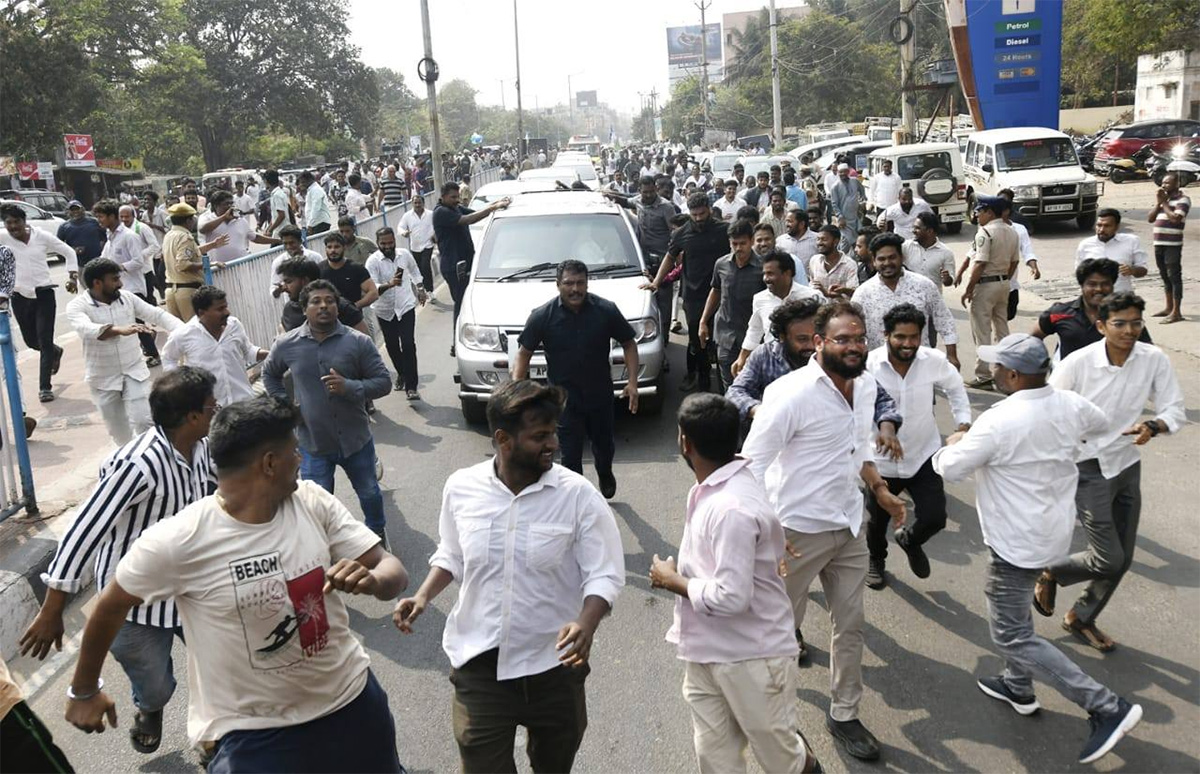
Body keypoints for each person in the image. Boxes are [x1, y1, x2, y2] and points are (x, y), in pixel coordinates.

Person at [63, 395, 409, 773]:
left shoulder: (312, 502)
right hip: (255, 735)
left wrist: (374, 581)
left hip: (353, 704)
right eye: (294, 450)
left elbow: (393, 571)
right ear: (270, 464)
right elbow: (111, 605)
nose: (301, 459)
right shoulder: (180, 539)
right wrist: (83, 689)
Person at [931, 334, 1143, 765]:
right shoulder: (1070, 403)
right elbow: (1102, 425)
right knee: (1016, 615)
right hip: (1051, 532)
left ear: (1012, 375)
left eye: (995, 366)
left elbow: (950, 469)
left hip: (1015, 543)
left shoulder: (999, 419)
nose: (989, 371)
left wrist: (949, 446)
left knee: (1010, 633)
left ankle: (1105, 706)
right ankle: (1018, 686)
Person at [393, 380, 624, 774]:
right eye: (539, 436)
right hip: (480, 666)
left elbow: (604, 573)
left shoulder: (579, 496)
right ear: (503, 439)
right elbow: (452, 553)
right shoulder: (461, 487)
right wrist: (423, 596)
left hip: (554, 668)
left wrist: (586, 624)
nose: (552, 443)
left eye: (553, 432)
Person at [741, 300, 907, 762]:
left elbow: (856, 449)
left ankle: (844, 713)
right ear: (818, 343)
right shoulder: (790, 393)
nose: (854, 347)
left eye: (859, 338)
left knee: (850, 624)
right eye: (843, 339)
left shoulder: (867, 385)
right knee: (779, 633)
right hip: (794, 531)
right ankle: (777, 722)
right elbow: (751, 466)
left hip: (849, 524)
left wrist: (879, 488)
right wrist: (765, 533)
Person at [22, 367, 217, 754]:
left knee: (221, 668)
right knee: (157, 685)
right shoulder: (138, 465)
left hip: (191, 589)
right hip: (133, 602)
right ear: (192, 416)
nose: (218, 411)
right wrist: (52, 607)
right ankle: (150, 707)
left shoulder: (203, 447)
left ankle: (215, 740)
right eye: (212, 407)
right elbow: (85, 529)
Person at [649, 393, 822, 774]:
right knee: (716, 758)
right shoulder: (718, 487)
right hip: (705, 651)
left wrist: (672, 580)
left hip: (752, 658)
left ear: (684, 442)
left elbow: (732, 597)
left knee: (783, 762)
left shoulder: (730, 508)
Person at [1034, 292, 1184, 651]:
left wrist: (1155, 425)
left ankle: (1082, 617)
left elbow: (1173, 407)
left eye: (1136, 322)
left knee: (1124, 557)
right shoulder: (1079, 362)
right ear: (1101, 326)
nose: (1129, 330)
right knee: (1107, 557)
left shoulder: (1152, 359)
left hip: (1127, 463)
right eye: (1120, 323)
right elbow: (1048, 408)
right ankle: (1051, 570)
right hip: (1086, 466)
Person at [262, 281, 392, 541]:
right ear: (305, 308)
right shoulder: (287, 344)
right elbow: (269, 375)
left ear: (338, 306)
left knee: (369, 493)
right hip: (312, 443)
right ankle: (324, 545)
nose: (324, 306)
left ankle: (377, 533)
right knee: (317, 502)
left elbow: (384, 383)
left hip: (356, 440)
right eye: (316, 301)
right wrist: (285, 407)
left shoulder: (359, 342)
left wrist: (350, 387)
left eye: (330, 301)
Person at [864, 303, 970, 590]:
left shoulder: (932, 360)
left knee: (935, 517)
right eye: (900, 337)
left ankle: (910, 540)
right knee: (876, 522)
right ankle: (876, 560)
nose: (908, 344)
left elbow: (956, 387)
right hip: (881, 459)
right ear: (886, 335)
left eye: (914, 337)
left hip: (924, 453)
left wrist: (963, 424)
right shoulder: (868, 365)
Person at [514, 260, 638, 499]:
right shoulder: (542, 316)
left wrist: (632, 383)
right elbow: (524, 353)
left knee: (604, 448)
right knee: (570, 458)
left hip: (600, 396)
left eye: (580, 283)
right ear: (557, 285)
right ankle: (577, 502)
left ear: (587, 283)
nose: (575, 289)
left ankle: (605, 472)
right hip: (564, 402)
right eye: (569, 283)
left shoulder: (606, 310)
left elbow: (629, 343)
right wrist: (518, 394)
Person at [66, 258, 183, 445]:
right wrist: (119, 330)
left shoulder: (126, 298)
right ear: (97, 283)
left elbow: (156, 314)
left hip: (133, 370)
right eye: (114, 279)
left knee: (144, 421)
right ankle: (129, 463)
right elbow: (85, 328)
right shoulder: (77, 306)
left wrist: (182, 330)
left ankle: (151, 461)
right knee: (120, 434)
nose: (120, 284)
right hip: (102, 377)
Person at [646, 192, 731, 393]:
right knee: (696, 339)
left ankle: (726, 382)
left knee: (722, 338)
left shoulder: (725, 230)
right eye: (695, 215)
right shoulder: (680, 233)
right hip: (693, 295)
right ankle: (701, 378)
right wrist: (657, 282)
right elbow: (669, 258)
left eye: (702, 213)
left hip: (722, 292)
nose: (699, 218)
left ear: (709, 209)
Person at [0, 202, 78, 402]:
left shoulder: (41, 236)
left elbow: (68, 251)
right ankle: (56, 351)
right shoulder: (3, 239)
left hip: (44, 294)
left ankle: (45, 387)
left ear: (24, 221)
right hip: (19, 296)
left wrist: (72, 275)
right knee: (31, 341)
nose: (13, 227)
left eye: (16, 222)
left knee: (43, 340)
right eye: (9, 223)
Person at [853, 232, 960, 366]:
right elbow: (854, 332)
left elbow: (944, 320)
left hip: (920, 366)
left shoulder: (924, 285)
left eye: (892, 257)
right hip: (879, 369)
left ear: (902, 258)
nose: (887, 263)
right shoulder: (862, 294)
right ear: (874, 261)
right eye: (881, 259)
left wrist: (952, 356)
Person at [433, 181, 509, 355]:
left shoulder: (454, 208)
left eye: (457, 196)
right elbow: (469, 219)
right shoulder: (442, 212)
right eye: (452, 197)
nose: (456, 200)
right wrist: (493, 208)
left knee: (467, 303)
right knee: (461, 305)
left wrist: (496, 204)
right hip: (454, 266)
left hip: (465, 264)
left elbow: (475, 213)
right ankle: (456, 343)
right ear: (443, 197)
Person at [162, 286, 266, 407]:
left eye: (226, 307)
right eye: (220, 309)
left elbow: (248, 351)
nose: (227, 312)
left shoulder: (234, 325)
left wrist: (272, 353)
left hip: (244, 402)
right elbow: (168, 359)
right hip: (210, 410)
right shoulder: (183, 335)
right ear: (202, 313)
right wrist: (182, 384)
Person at [1032, 258, 1151, 360]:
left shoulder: (1126, 317)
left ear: (1112, 285)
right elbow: (1033, 339)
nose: (1099, 289)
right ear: (1082, 286)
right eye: (1092, 284)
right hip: (1068, 385)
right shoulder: (1059, 313)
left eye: (1105, 284)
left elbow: (1148, 352)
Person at [699, 219, 766, 390]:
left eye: (742, 243)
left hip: (754, 338)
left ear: (751, 241)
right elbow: (715, 291)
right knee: (729, 384)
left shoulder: (764, 267)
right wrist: (703, 321)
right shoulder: (721, 264)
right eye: (734, 243)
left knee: (753, 383)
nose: (738, 248)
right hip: (725, 335)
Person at [961, 196, 1019, 388]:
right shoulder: (1012, 231)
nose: (977, 215)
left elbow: (980, 263)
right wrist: (1004, 279)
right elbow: (1014, 262)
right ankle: (1005, 369)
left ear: (989, 212)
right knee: (1002, 328)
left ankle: (983, 375)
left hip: (985, 285)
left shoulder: (984, 233)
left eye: (980, 211)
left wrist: (969, 289)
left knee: (982, 331)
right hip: (1003, 284)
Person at [366, 228, 426, 400]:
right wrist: (389, 284)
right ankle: (402, 373)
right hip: (384, 311)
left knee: (408, 344)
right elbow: (372, 286)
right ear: (378, 243)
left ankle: (411, 387)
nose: (387, 246)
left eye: (390, 242)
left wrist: (420, 288)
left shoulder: (404, 255)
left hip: (405, 306)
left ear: (394, 241)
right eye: (383, 243)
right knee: (392, 346)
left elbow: (414, 271)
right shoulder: (372, 262)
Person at [162, 203, 229, 322]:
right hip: (187, 291)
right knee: (196, 331)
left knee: (180, 333)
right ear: (188, 220)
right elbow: (183, 264)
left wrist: (212, 245)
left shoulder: (170, 235)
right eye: (192, 218)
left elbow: (192, 252)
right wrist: (209, 264)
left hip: (171, 291)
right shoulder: (185, 237)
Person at [277, 258, 369, 334]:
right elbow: (283, 333)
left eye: (288, 282)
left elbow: (365, 344)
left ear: (305, 281)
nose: (284, 287)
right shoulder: (289, 309)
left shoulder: (342, 307)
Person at [1147, 171, 1189, 323]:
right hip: (1159, 243)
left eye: (1167, 183)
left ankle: (1176, 312)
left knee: (1174, 276)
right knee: (1165, 276)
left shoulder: (1183, 200)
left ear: (1177, 184)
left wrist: (1164, 203)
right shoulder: (1164, 200)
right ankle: (1168, 307)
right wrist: (1159, 203)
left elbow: (1175, 219)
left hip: (1173, 244)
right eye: (1163, 182)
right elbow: (1150, 219)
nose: (1163, 185)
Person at [1075, 208, 1148, 295]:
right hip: (1095, 298)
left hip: (1122, 297)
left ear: (1117, 226)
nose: (1101, 230)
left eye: (1107, 226)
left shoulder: (1131, 241)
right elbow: (1079, 273)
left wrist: (1132, 270)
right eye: (1099, 225)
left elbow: (1143, 270)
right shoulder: (1085, 244)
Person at [198, 190, 280, 264]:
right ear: (216, 206)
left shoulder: (240, 220)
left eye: (231, 203)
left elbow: (255, 237)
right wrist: (223, 217)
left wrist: (278, 241)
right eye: (226, 204)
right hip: (218, 268)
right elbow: (203, 230)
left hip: (240, 266)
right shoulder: (207, 217)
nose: (230, 206)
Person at [398, 193, 436, 293]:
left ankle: (430, 291)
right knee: (418, 269)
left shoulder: (430, 214)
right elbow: (400, 227)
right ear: (412, 204)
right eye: (415, 203)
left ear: (423, 203)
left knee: (425, 266)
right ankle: (421, 289)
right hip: (415, 247)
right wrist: (404, 233)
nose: (417, 205)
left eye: (419, 203)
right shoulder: (407, 216)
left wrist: (435, 234)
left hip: (428, 245)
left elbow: (437, 225)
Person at [808, 225, 858, 299]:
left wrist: (842, 290)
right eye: (818, 239)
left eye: (824, 239)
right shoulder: (814, 261)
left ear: (836, 241)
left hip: (840, 308)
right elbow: (812, 284)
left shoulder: (849, 264)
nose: (820, 243)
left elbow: (855, 292)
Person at [57, 199, 107, 267]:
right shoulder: (64, 227)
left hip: (98, 262)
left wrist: (102, 250)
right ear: (68, 211)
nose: (75, 211)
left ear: (83, 209)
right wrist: (72, 250)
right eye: (72, 210)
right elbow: (58, 245)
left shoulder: (94, 222)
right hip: (78, 264)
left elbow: (105, 238)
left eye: (77, 209)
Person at [828, 164, 866, 252]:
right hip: (845, 220)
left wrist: (863, 201)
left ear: (848, 172)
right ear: (838, 173)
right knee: (845, 243)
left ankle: (856, 261)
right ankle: (839, 259)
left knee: (859, 241)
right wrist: (840, 217)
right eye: (840, 172)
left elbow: (862, 190)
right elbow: (834, 204)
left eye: (845, 171)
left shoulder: (855, 181)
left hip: (856, 217)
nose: (843, 174)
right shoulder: (835, 187)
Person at [297, 171, 333, 235]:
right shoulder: (311, 190)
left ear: (309, 180)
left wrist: (310, 225)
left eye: (303, 182)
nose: (302, 184)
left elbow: (316, 208)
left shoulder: (316, 190)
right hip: (316, 223)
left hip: (319, 223)